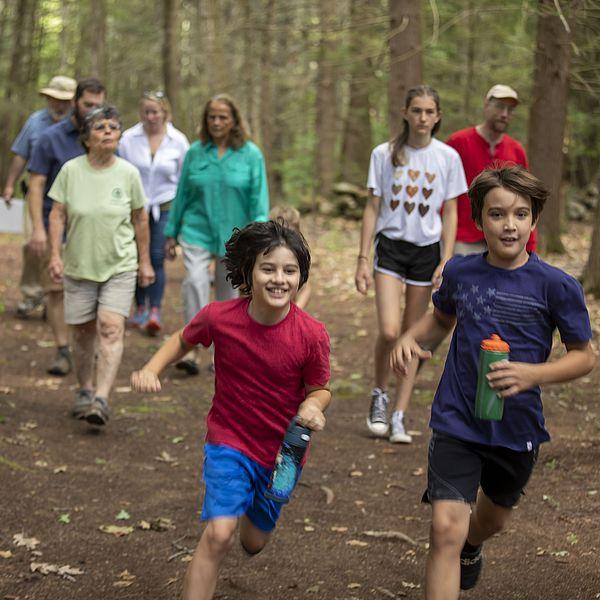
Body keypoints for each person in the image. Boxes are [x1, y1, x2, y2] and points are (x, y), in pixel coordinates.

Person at [390, 165, 595, 599]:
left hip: (516, 427)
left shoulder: (557, 287)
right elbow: (440, 319)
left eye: (521, 214)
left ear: (534, 221)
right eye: (497, 214)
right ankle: (457, 545)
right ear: (479, 220)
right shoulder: (461, 273)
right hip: (457, 418)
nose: (509, 224)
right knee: (445, 527)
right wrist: (411, 338)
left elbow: (583, 358)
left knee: (492, 521)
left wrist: (531, 374)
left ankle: (473, 544)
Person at [130, 220, 331, 599]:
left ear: (301, 277)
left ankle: (257, 517)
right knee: (219, 534)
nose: (279, 279)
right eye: (268, 268)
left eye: (290, 271)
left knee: (253, 541)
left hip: (284, 454)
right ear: (247, 272)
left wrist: (312, 405)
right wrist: (152, 368)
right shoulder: (220, 317)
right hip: (229, 442)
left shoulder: (311, 333)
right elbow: (182, 339)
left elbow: (320, 388)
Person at [355, 85, 467, 444]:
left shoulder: (447, 157)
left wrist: (446, 258)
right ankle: (379, 395)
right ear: (405, 112)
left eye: (428, 112)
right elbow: (372, 207)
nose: (422, 118)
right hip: (390, 248)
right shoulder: (384, 154)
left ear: (437, 116)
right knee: (390, 332)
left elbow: (450, 210)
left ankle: (400, 414)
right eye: (416, 110)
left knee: (412, 335)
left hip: (426, 252)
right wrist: (362, 256)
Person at [47, 106, 154, 426]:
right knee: (82, 332)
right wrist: (55, 255)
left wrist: (145, 261)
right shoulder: (70, 171)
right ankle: (85, 389)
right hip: (79, 265)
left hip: (119, 264)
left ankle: (102, 398)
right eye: (100, 127)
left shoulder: (129, 173)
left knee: (109, 326)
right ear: (86, 138)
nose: (108, 131)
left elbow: (140, 218)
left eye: (113, 126)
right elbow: (57, 215)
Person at [164, 93, 269, 375]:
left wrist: (260, 236)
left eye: (223, 117)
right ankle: (193, 347)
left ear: (234, 120)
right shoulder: (196, 152)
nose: (217, 122)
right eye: (212, 117)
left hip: (236, 235)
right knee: (195, 282)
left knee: (228, 295)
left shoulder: (250, 154)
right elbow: (182, 193)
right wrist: (171, 231)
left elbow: (259, 199)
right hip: (197, 229)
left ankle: (222, 351)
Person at [27, 78, 106, 376]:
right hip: (55, 221)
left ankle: (89, 345)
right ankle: (63, 350)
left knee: (94, 288)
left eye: (98, 105)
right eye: (88, 104)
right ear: (75, 102)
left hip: (95, 229)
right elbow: (35, 185)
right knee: (57, 288)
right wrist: (37, 228)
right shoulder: (50, 138)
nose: (93, 111)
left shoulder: (107, 136)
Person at [2, 75, 76, 318]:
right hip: (36, 195)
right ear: (47, 98)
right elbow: (21, 156)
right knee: (33, 245)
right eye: (55, 99)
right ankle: (32, 294)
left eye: (65, 100)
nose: (59, 105)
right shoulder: (35, 122)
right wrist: (10, 185)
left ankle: (53, 299)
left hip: (70, 201)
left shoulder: (78, 126)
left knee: (64, 248)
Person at [119, 91, 190, 334]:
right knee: (138, 256)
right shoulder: (128, 138)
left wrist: (181, 218)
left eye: (155, 112)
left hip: (165, 205)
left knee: (157, 257)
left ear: (165, 113)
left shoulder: (178, 141)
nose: (151, 117)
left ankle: (155, 310)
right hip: (134, 206)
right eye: (146, 112)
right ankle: (139, 307)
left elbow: (184, 180)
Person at [447, 84, 536, 255]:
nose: (504, 114)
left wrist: (530, 245)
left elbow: (527, 199)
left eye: (510, 110)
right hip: (464, 238)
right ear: (486, 104)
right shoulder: (458, 142)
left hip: (505, 237)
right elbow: (442, 194)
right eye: (500, 107)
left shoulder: (516, 150)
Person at [269, 205, 311, 309]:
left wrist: (297, 309)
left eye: (290, 234)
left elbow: (306, 288)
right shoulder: (263, 254)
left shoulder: (300, 255)